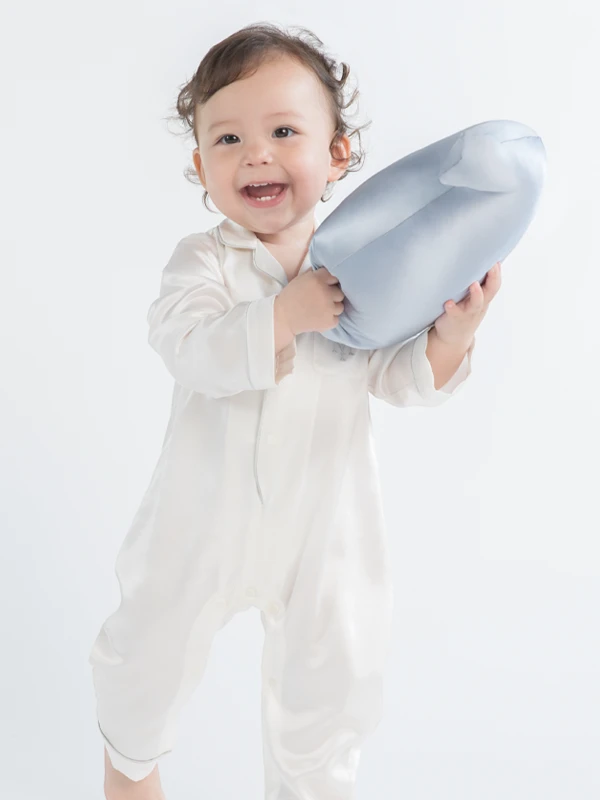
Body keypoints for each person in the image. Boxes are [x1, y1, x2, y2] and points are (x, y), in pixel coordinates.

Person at [90, 21, 502, 800]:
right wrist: (284, 316)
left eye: (284, 131)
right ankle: (131, 773)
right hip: (203, 511)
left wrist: (452, 333)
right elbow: (185, 346)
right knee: (143, 661)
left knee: (331, 696)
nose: (257, 154)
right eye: (228, 138)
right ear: (200, 165)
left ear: (337, 154)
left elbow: (397, 377)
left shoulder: (363, 263)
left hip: (326, 519)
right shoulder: (204, 260)